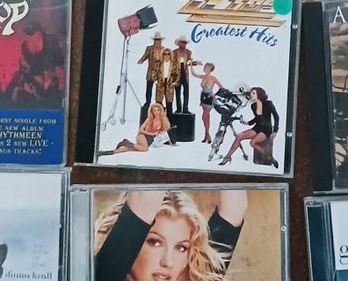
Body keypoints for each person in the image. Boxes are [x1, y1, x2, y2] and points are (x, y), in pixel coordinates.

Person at [94, 189, 247, 281]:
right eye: (155, 242)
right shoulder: (101, 275)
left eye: (181, 248)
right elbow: (145, 198)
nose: (168, 262)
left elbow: (234, 208)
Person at [7, 23, 66, 109]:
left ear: (40, 34)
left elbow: (58, 65)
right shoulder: (25, 47)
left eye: (31, 34)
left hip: (52, 83)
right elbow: (30, 70)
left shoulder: (51, 42)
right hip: (36, 83)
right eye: (27, 34)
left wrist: (59, 83)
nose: (29, 37)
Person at [219, 87, 279, 168]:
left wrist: (275, 131)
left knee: (252, 143)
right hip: (257, 128)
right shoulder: (253, 106)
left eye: (253, 93)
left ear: (259, 94)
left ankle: (270, 158)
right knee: (239, 136)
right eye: (251, 93)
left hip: (266, 129)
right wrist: (248, 123)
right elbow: (256, 119)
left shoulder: (268, 103)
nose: (251, 95)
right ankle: (227, 157)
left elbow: (276, 117)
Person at [189, 61, 223, 143]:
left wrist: (214, 94)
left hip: (209, 98)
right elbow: (194, 74)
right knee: (206, 117)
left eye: (207, 67)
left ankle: (207, 134)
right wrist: (191, 64)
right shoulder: (203, 76)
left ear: (210, 69)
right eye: (205, 67)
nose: (205, 68)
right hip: (203, 97)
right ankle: (206, 135)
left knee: (205, 116)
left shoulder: (213, 78)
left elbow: (222, 87)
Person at [138, 32, 166, 107]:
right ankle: (148, 102)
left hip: (160, 71)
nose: (157, 41)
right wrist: (141, 60)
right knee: (149, 88)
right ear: (154, 40)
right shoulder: (149, 48)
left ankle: (159, 102)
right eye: (156, 40)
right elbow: (145, 56)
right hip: (151, 71)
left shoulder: (163, 49)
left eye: (159, 40)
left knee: (160, 88)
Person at [154, 48, 181, 117]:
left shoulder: (174, 64)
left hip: (170, 84)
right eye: (165, 54)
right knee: (158, 103)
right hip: (161, 84)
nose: (166, 56)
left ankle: (169, 120)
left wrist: (174, 82)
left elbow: (178, 74)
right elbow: (154, 72)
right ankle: (159, 119)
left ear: (170, 55)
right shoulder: (158, 64)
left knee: (169, 103)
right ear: (162, 55)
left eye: (168, 54)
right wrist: (156, 80)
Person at [172, 36, 193, 114]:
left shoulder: (188, 52)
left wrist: (193, 63)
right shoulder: (174, 52)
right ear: (179, 43)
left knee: (186, 91)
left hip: (185, 73)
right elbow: (172, 63)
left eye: (185, 43)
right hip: (177, 73)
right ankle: (179, 108)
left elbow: (189, 62)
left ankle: (185, 108)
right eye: (182, 42)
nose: (184, 44)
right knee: (177, 92)